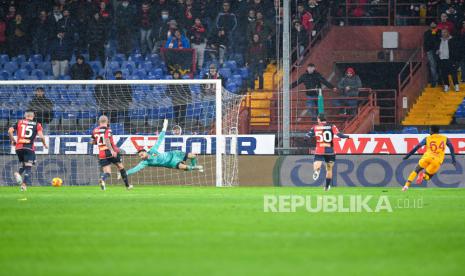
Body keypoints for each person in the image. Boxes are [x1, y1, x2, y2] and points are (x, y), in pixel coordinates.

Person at [127, 119, 203, 176]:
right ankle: (194, 168)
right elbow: (135, 169)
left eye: (141, 154)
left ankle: (194, 166)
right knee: (183, 167)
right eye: (140, 156)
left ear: (145, 152)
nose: (141, 156)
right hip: (171, 163)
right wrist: (125, 173)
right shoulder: (145, 163)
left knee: (193, 156)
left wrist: (164, 127)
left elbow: (159, 140)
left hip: (174, 154)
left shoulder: (152, 150)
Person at [402, 125, 457, 192]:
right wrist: (453, 160)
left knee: (416, 170)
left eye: (430, 130)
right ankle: (423, 175)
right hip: (437, 160)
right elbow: (451, 147)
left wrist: (408, 155)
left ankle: (406, 186)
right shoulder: (445, 138)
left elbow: (417, 146)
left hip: (427, 157)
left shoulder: (427, 138)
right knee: (428, 177)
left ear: (431, 130)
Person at [305, 113, 350, 191]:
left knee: (317, 165)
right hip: (330, 152)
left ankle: (317, 171)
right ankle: (326, 187)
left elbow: (307, 136)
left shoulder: (315, 128)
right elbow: (339, 135)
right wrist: (347, 136)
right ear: (325, 119)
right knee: (329, 169)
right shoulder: (332, 126)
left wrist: (306, 139)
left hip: (319, 151)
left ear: (319, 119)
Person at [8, 111, 48, 191]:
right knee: (29, 167)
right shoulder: (37, 124)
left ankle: (18, 174)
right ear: (33, 116)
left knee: (24, 164)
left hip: (18, 148)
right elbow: (42, 137)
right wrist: (44, 144)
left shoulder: (19, 122)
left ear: (25, 116)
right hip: (29, 148)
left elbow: (9, 131)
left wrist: (13, 140)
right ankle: (23, 185)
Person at [90, 115, 132, 190]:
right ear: (107, 121)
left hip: (102, 153)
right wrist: (112, 150)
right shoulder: (108, 130)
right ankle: (127, 186)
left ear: (99, 122)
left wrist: (98, 142)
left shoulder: (95, 130)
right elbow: (106, 139)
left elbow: (91, 141)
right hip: (111, 151)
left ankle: (102, 179)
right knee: (121, 167)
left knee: (107, 172)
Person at [423, 21, 440, 87]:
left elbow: (439, 41)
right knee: (432, 66)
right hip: (430, 50)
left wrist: (438, 48)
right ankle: (434, 81)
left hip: (438, 51)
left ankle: (438, 81)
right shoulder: (427, 32)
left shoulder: (439, 32)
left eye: (434, 23)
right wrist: (426, 49)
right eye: (432, 23)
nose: (433, 24)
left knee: (438, 65)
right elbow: (426, 42)